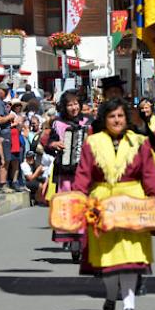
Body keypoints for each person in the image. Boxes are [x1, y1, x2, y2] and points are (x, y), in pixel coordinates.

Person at [72, 98, 155, 310]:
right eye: (112, 116)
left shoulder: (140, 142)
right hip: (101, 204)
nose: (117, 120)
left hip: (133, 203)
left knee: (130, 257)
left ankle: (129, 305)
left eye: (120, 116)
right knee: (107, 258)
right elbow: (83, 175)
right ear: (104, 119)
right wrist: (76, 200)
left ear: (127, 118)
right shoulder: (92, 143)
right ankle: (111, 296)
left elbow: (149, 174)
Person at [46, 90, 92, 261]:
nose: (73, 107)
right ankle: (74, 241)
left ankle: (82, 241)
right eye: (70, 104)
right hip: (65, 172)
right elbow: (48, 145)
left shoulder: (88, 122)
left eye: (76, 104)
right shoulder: (58, 124)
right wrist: (55, 144)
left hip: (85, 172)